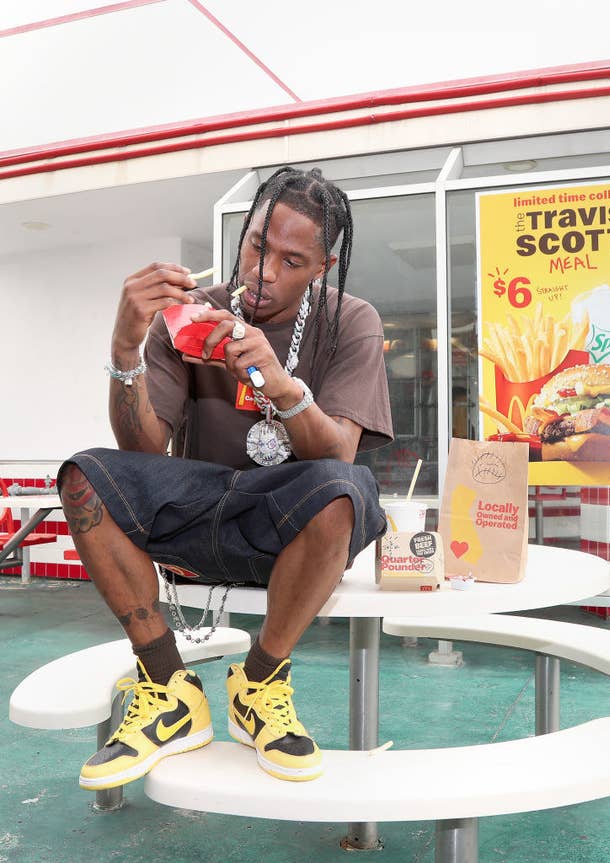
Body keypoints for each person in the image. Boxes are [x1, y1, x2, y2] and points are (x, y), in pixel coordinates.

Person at [57, 166, 393, 789]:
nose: (266, 270)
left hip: (287, 524)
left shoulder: (352, 319)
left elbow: (340, 454)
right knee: (86, 475)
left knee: (346, 491)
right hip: (198, 506)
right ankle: (166, 685)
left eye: (293, 260)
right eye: (259, 245)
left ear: (322, 267)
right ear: (243, 234)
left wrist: (280, 382)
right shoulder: (189, 314)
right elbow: (143, 448)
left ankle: (260, 680)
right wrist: (126, 348)